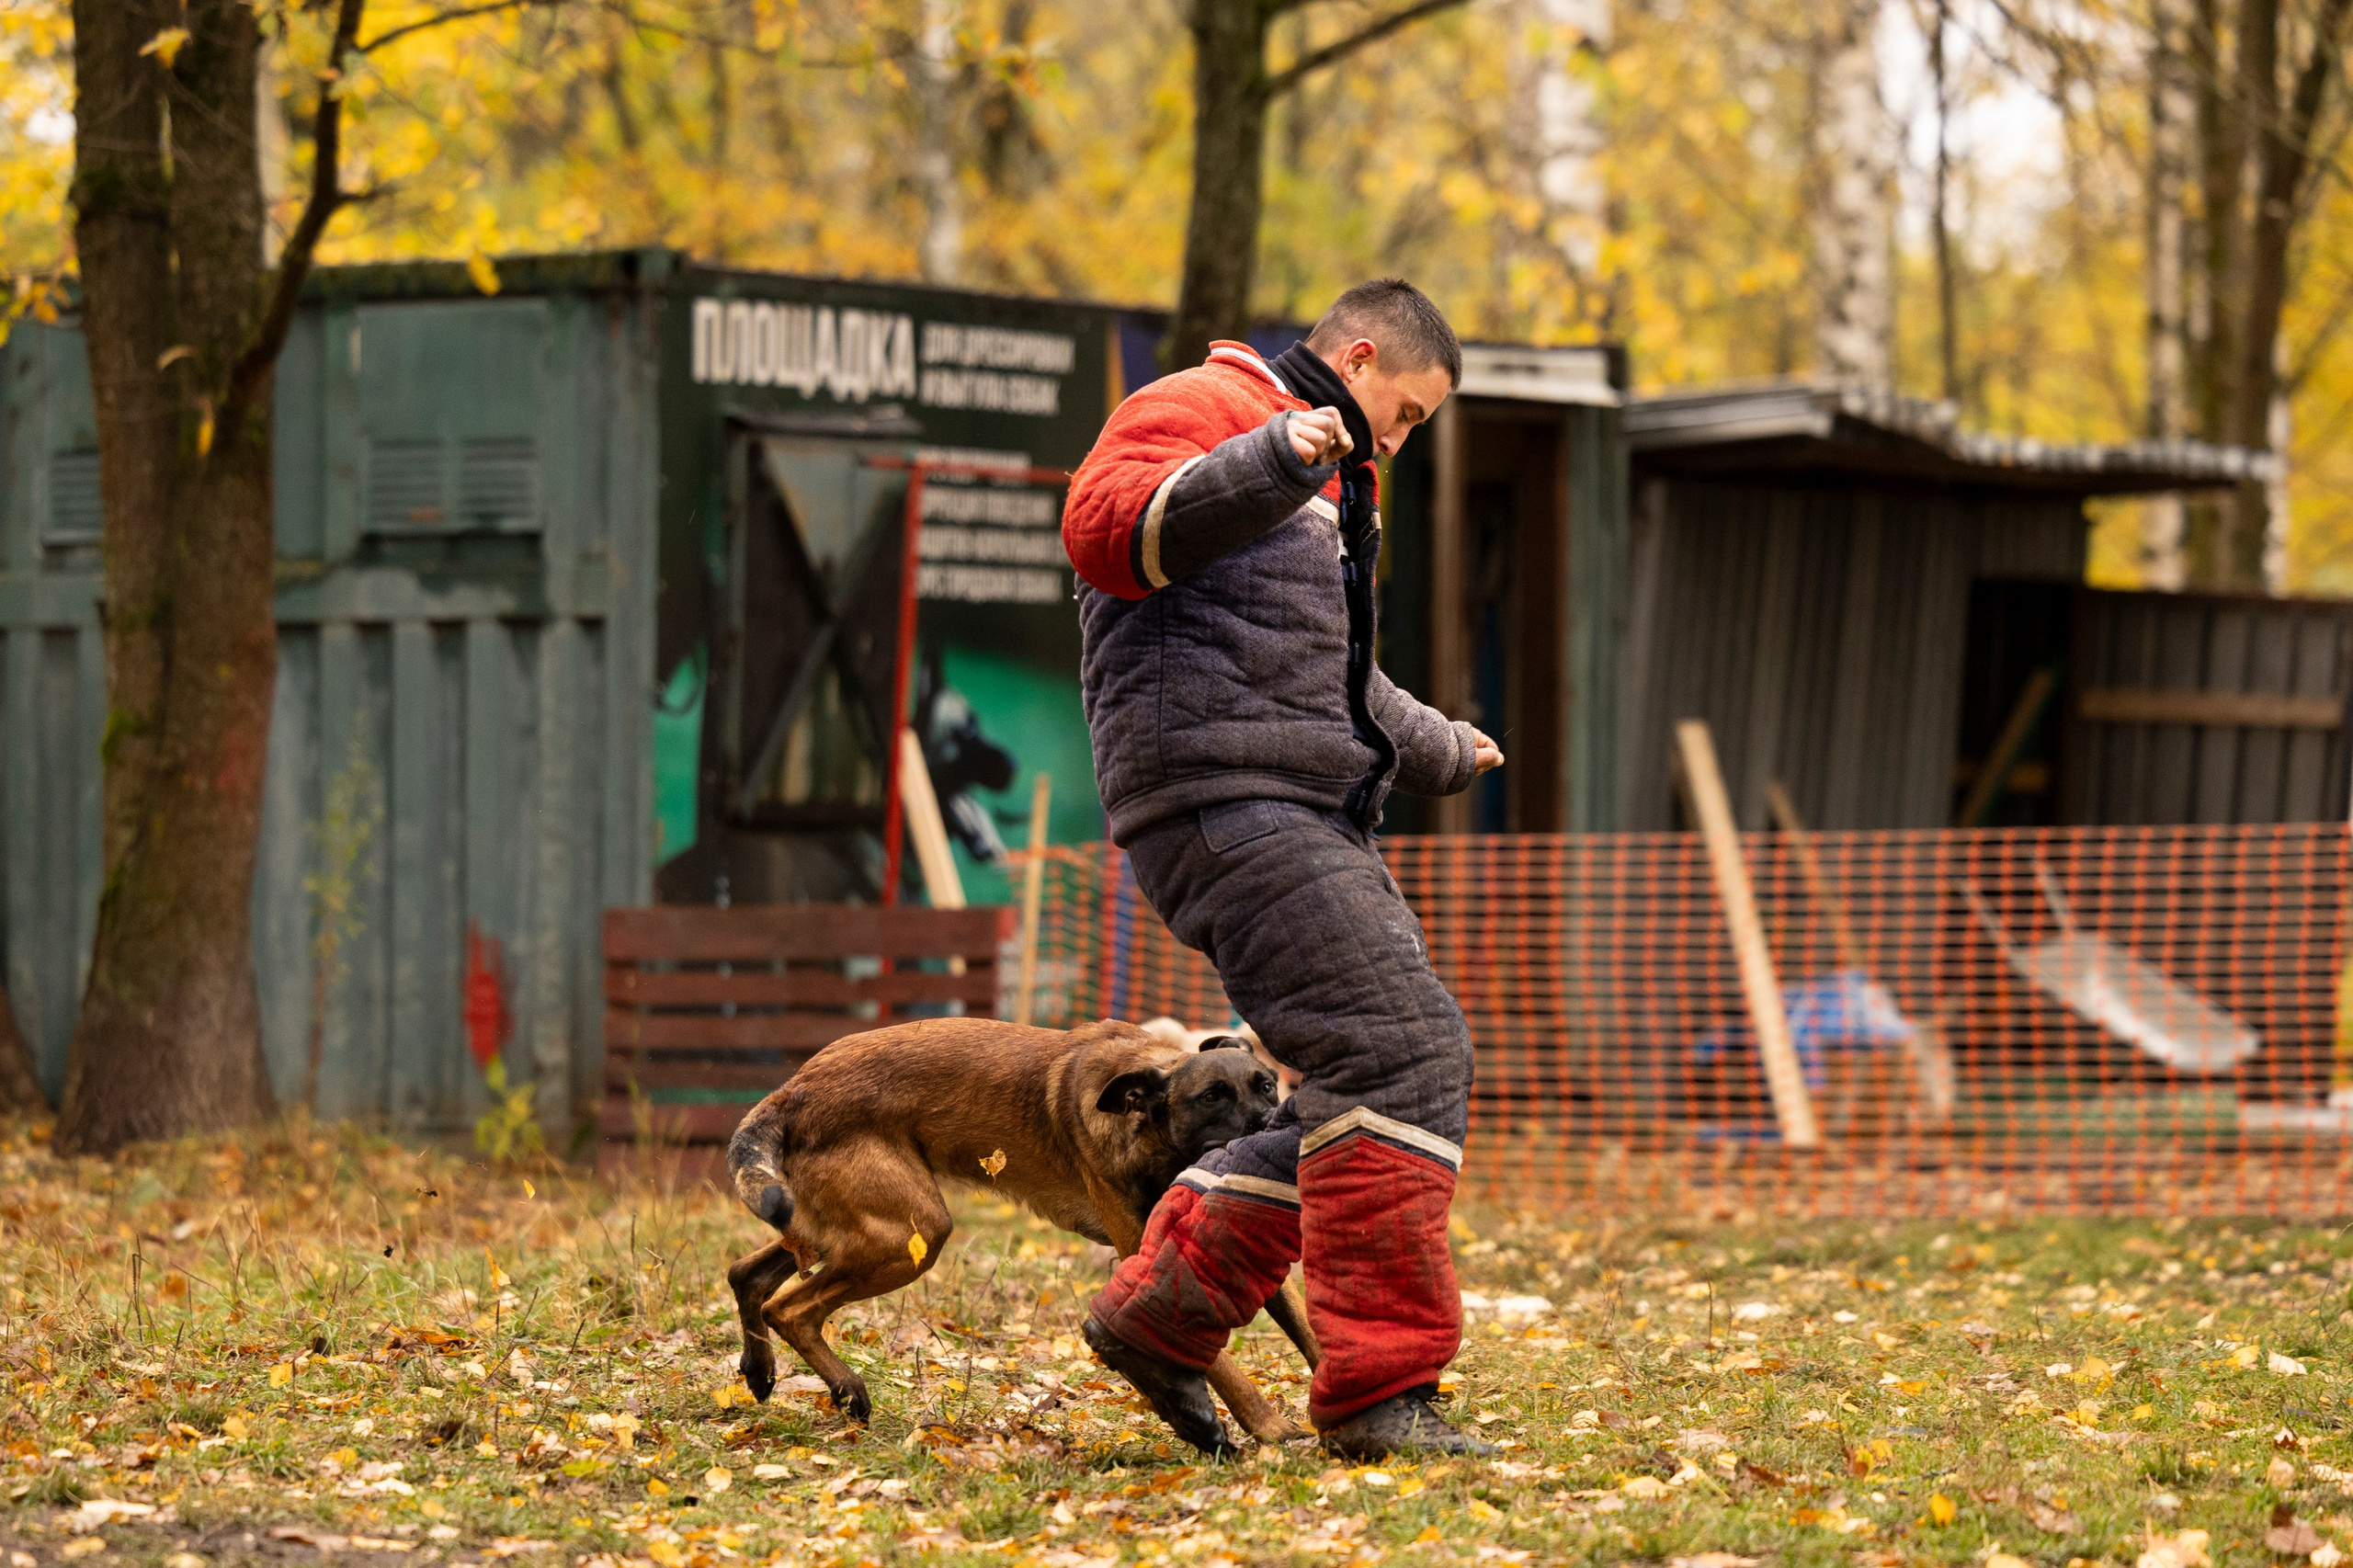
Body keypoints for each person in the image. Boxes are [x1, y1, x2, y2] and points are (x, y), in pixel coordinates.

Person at [1059, 279, 1502, 1459]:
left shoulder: (1326, 486)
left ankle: (1163, 1313)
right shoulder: (1201, 402)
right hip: (1225, 802)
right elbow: (1107, 531)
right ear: (1354, 360)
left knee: (1359, 1086)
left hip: (1289, 800)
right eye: (1402, 414)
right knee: (1400, 1055)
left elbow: (1337, 685)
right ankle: (1374, 1394)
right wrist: (1270, 453)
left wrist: (1445, 749)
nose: (1399, 443)